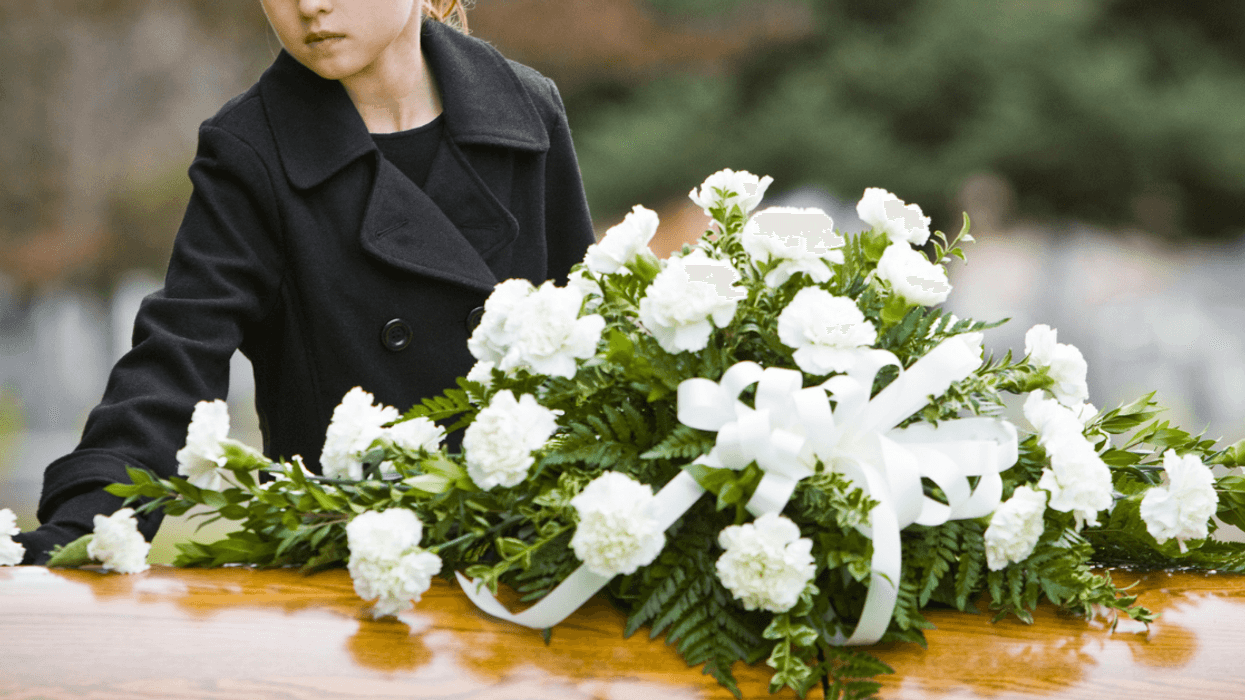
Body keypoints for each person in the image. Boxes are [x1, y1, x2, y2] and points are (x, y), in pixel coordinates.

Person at [13, 0, 595, 564]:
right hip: (347, 583)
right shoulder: (252, 151)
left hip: (527, 562)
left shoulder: (525, 112)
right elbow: (180, 353)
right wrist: (87, 524)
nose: (311, 6)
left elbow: (585, 352)